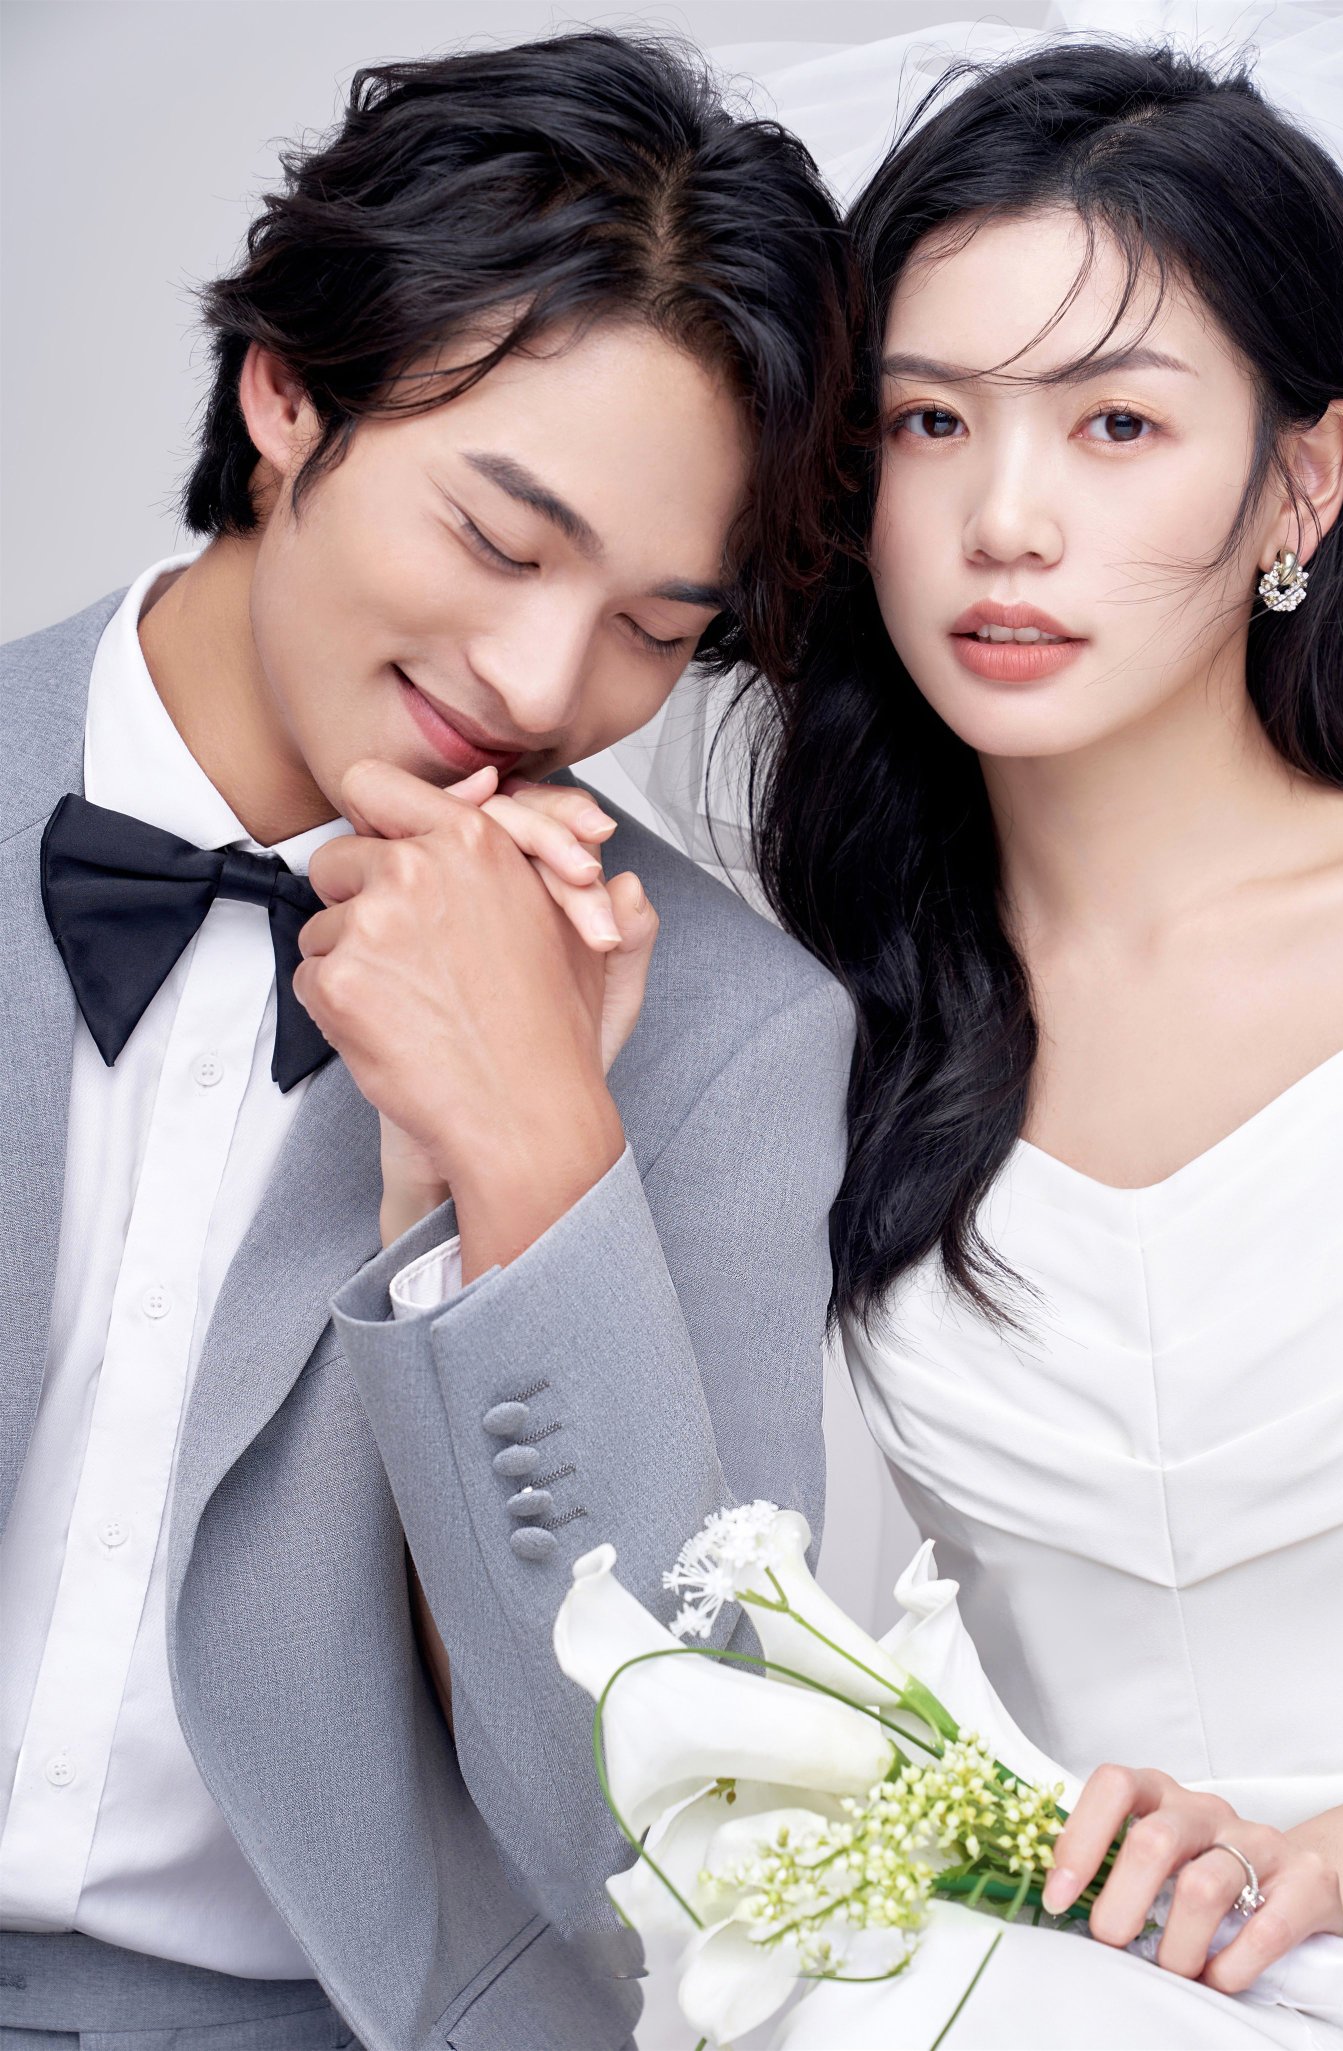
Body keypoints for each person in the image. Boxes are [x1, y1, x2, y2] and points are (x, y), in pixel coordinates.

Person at [0, 32, 854, 2051]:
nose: (546, 685)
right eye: (499, 539)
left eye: (656, 627)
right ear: (284, 394)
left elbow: (662, 1863)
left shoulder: (733, 1039)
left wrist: (525, 1165)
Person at [752, 38, 1343, 2045]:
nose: (1004, 519)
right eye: (930, 421)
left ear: (1304, 477)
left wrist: (1326, 1875)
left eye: (1114, 422)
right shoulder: (814, 1017)